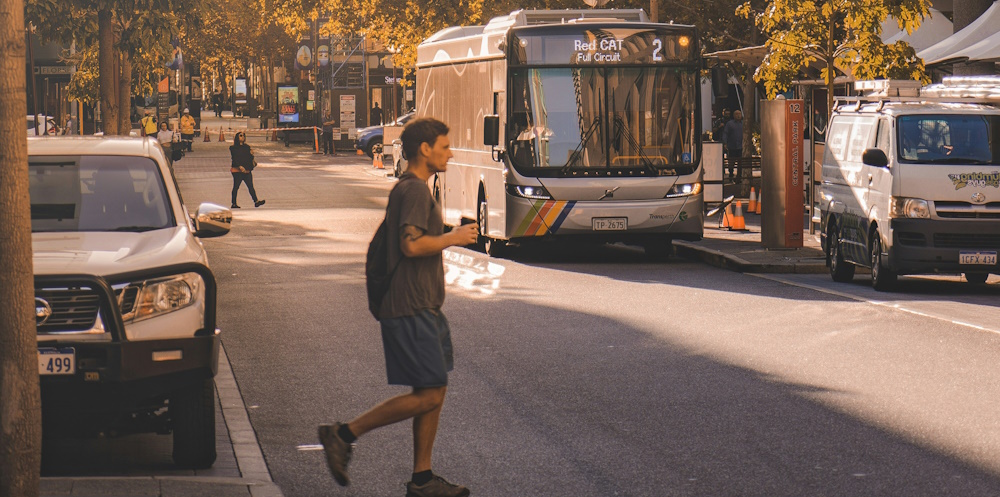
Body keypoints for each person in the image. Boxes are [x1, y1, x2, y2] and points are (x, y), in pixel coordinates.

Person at [318, 118, 479, 497]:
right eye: (445, 146)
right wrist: (454, 237)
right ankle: (343, 434)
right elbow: (410, 245)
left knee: (433, 390)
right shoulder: (415, 192)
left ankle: (422, 479)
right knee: (429, 394)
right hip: (409, 305)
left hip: (422, 303)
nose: (450, 153)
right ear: (425, 149)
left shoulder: (414, 189)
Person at [229, 132, 265, 209]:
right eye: (240, 136)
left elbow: (249, 159)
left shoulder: (247, 147)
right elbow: (234, 158)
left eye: (244, 136)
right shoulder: (233, 148)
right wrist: (240, 166)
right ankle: (234, 203)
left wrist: (252, 154)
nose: (242, 137)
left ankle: (256, 201)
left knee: (250, 186)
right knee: (236, 187)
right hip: (237, 171)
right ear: (237, 137)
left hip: (247, 170)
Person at [721, 109, 744, 179]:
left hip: (741, 146)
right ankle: (731, 174)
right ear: (734, 115)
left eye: (739, 114)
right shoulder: (730, 124)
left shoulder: (743, 124)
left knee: (740, 162)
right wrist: (725, 143)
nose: (738, 116)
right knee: (731, 161)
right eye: (736, 114)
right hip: (732, 146)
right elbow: (725, 133)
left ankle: (739, 176)